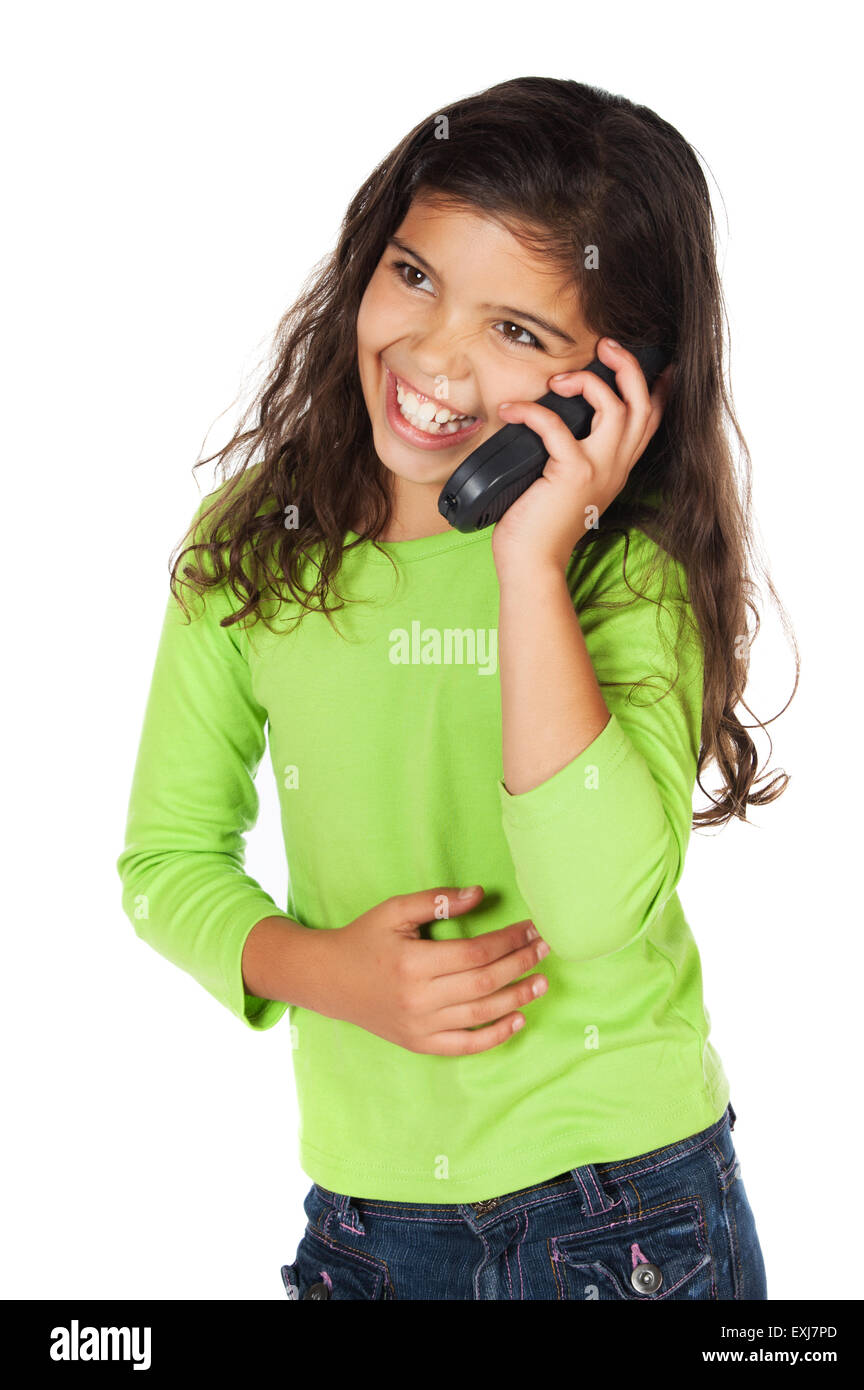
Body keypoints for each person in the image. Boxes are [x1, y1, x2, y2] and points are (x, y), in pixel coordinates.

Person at [117, 76, 797, 1300]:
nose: (432, 356)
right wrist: (324, 970)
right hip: (370, 1220)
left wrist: (529, 561)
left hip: (625, 1205)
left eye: (517, 332)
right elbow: (166, 860)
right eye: (416, 275)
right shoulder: (252, 550)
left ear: (611, 386)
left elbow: (595, 905)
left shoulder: (621, 576)